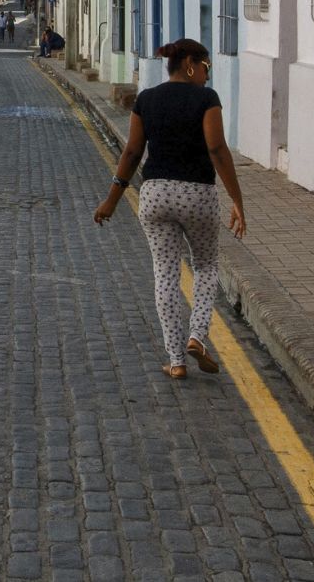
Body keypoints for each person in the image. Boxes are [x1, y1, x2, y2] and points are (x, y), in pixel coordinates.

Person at [96, 40, 247, 380]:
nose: (208, 75)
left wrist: (111, 200)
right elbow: (217, 148)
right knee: (206, 266)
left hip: (155, 194)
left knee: (165, 274)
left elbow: (133, 152)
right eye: (206, 66)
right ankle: (197, 336)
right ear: (190, 64)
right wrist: (237, 200)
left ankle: (176, 360)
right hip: (197, 195)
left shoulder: (147, 99)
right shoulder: (206, 99)